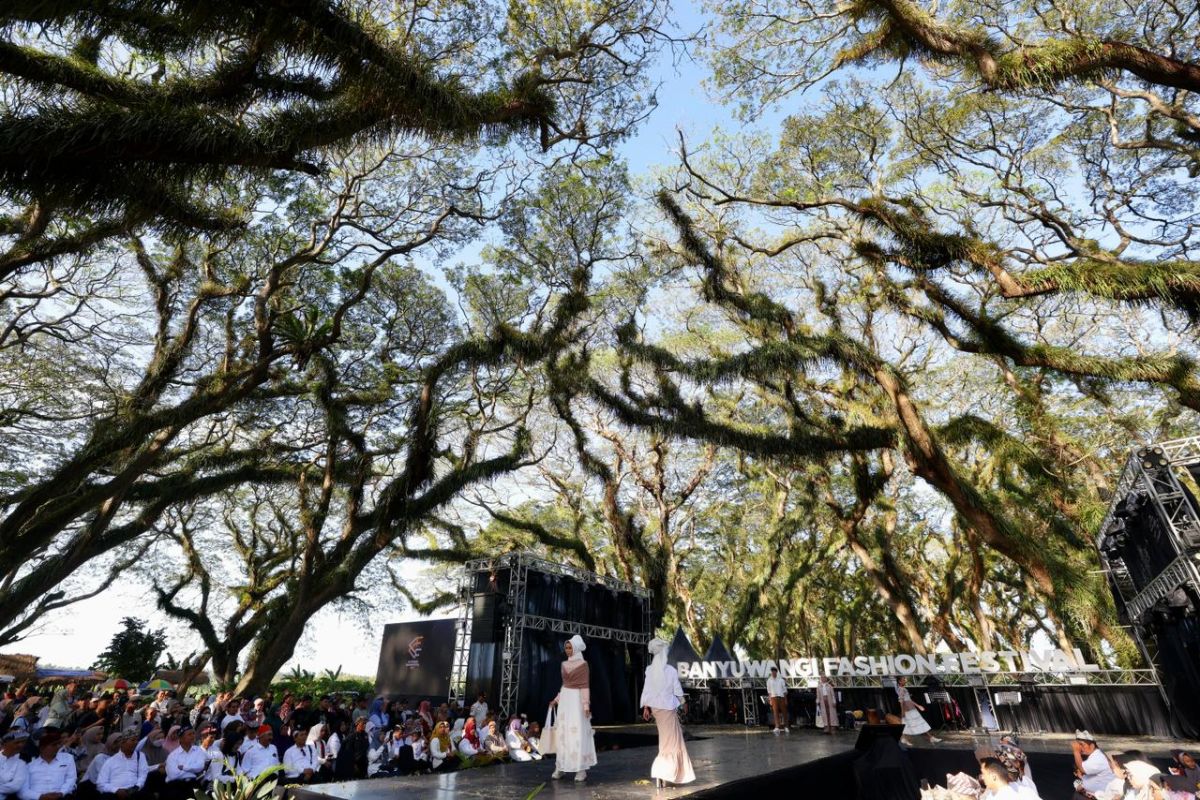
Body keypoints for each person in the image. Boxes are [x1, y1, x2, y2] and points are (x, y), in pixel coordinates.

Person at [639, 637, 694, 789]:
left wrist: (646, 707)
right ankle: (662, 771)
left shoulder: (650, 670)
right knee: (673, 742)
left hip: (657, 709)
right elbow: (677, 689)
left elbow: (647, 690)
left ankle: (664, 774)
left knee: (667, 741)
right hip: (668, 709)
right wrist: (684, 703)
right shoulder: (670, 670)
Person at [548, 634, 597, 783]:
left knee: (577, 733)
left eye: (570, 648)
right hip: (566, 701)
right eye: (566, 648)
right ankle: (561, 766)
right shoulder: (564, 664)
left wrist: (586, 705)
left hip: (576, 701)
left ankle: (580, 769)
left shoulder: (583, 664)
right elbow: (564, 686)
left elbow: (584, 686)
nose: (568, 650)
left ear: (575, 648)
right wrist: (556, 699)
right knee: (563, 733)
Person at [21, 731, 76, 800]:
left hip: (62, 797)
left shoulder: (67, 758)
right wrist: (41, 796)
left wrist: (61, 793)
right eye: (54, 745)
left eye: (58, 744)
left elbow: (71, 779)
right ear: (42, 748)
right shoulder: (30, 766)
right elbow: (23, 791)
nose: (58, 747)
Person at [95, 731, 148, 800]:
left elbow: (143, 774)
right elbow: (100, 783)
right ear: (123, 743)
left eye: (137, 740)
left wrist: (137, 787)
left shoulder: (140, 756)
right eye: (132, 740)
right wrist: (116, 790)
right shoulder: (111, 761)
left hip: (134, 791)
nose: (136, 742)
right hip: (115, 793)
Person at [896, 677, 942, 746]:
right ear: (899, 681)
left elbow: (909, 700)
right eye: (903, 680)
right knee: (908, 724)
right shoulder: (901, 690)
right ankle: (904, 738)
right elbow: (901, 702)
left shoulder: (903, 689)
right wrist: (902, 711)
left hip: (911, 708)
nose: (905, 681)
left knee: (918, 722)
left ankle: (930, 737)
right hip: (908, 710)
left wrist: (918, 706)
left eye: (905, 680)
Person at [162, 727, 205, 800]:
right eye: (189, 734)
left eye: (193, 733)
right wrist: (192, 771)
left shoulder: (198, 750)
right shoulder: (173, 755)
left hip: (192, 783)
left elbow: (200, 766)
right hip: (176, 784)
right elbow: (173, 774)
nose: (193, 736)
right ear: (181, 738)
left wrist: (183, 768)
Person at [1073, 731, 1117, 798]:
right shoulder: (1096, 754)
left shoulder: (1098, 758)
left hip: (1101, 796)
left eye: (1082, 744)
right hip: (1089, 793)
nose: (1079, 748)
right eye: (1079, 745)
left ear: (1092, 746)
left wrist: (1076, 751)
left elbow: (1082, 769)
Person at [1, 731, 29, 800]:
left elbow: (15, 786)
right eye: (17, 742)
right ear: (5, 744)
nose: (20, 745)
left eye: (23, 742)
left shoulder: (21, 764)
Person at [765, 667, 787, 733]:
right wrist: (770, 700)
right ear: (771, 672)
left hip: (781, 697)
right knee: (775, 713)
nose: (773, 673)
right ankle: (777, 727)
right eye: (772, 671)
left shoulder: (781, 680)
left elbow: (784, 690)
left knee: (784, 712)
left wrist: (785, 699)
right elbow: (769, 691)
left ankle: (786, 726)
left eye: (774, 671)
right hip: (773, 697)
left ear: (776, 672)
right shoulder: (769, 681)